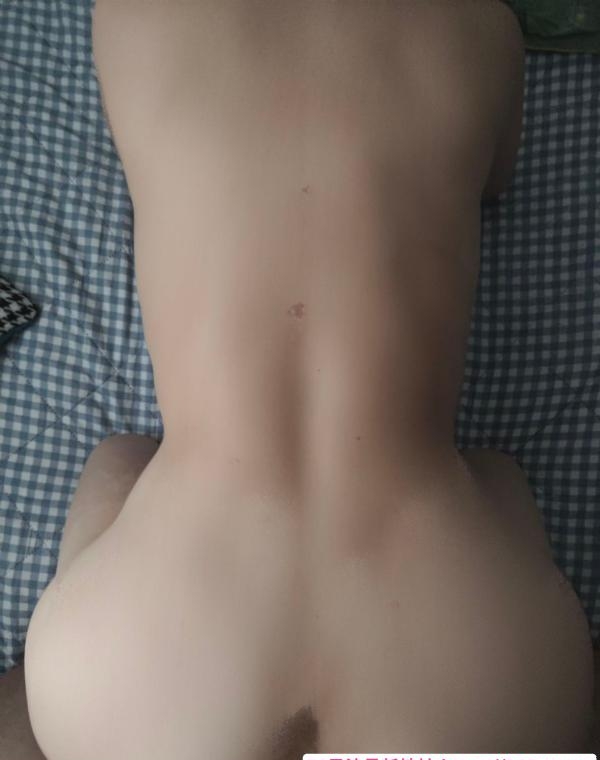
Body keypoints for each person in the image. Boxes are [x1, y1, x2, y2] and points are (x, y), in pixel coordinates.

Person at [3, 1, 595, 758]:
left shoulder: (135, 13)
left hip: (147, 659)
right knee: (499, 472)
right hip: (468, 647)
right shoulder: (480, 23)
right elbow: (498, 179)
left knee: (119, 455)